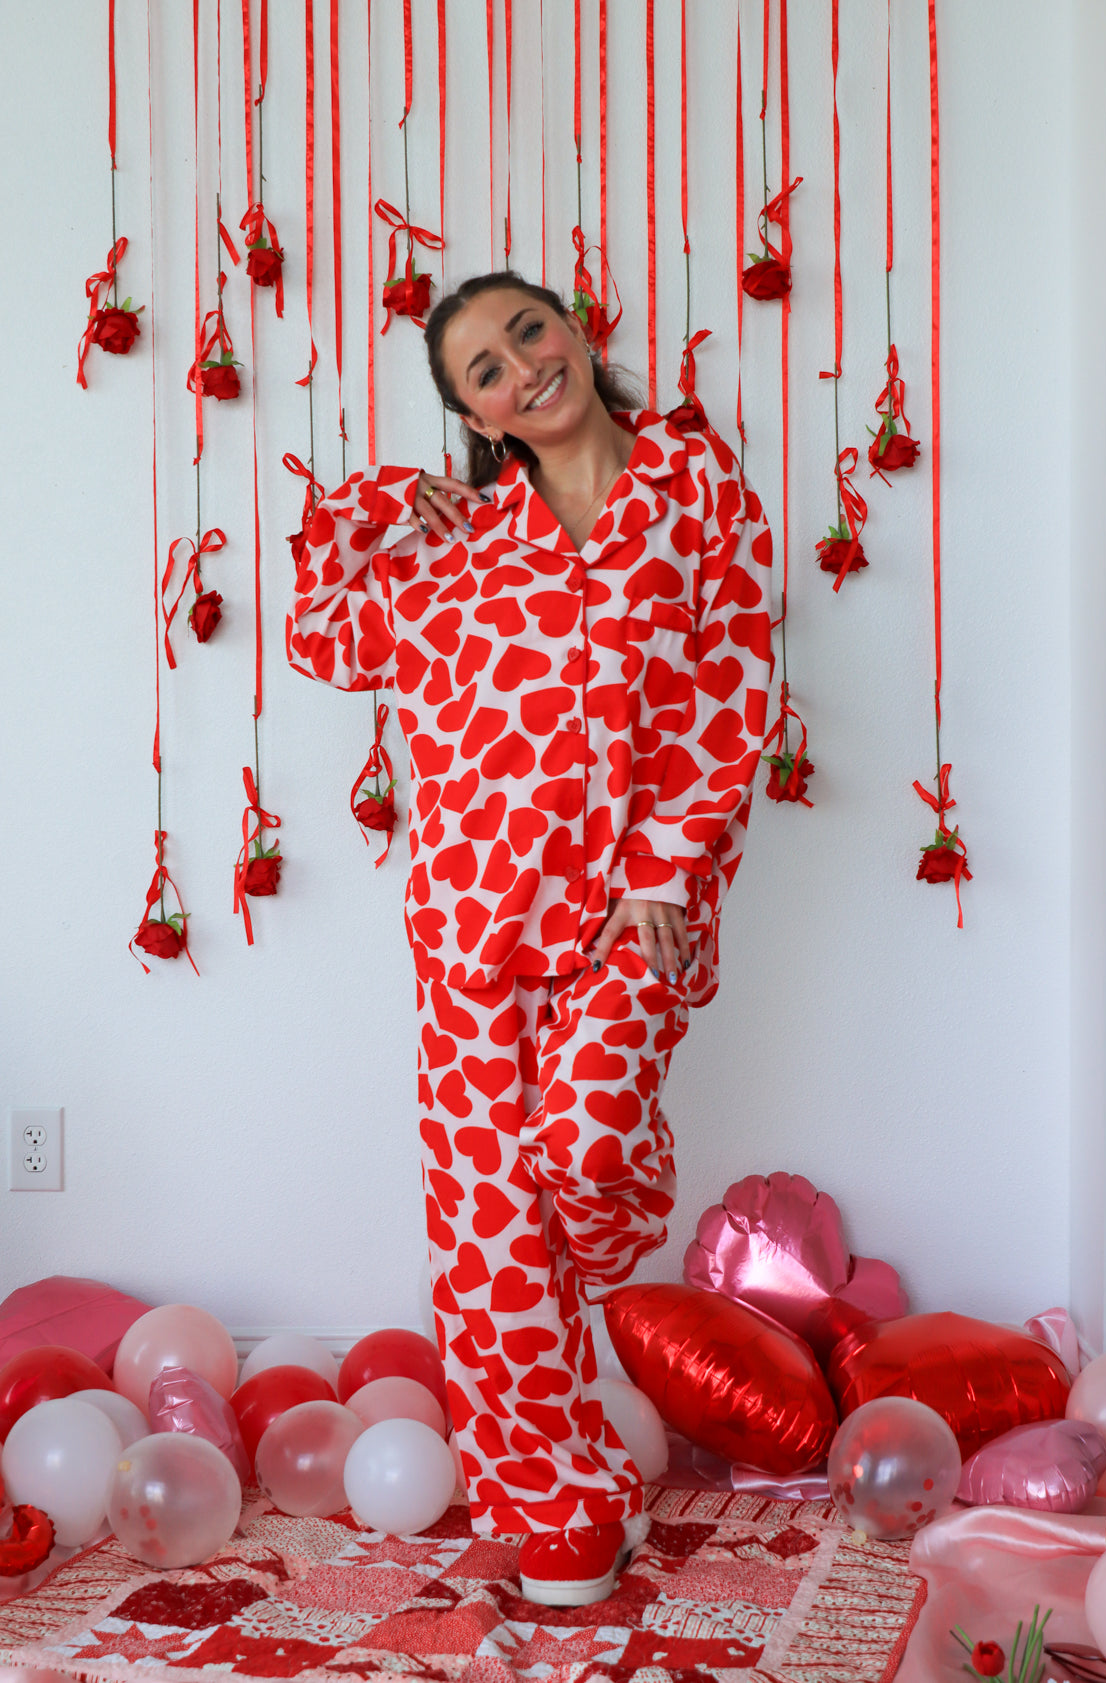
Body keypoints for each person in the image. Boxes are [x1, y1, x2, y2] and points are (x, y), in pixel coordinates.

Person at [287, 271, 775, 1607]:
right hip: (470, 914)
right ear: (475, 414)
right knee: (494, 1230)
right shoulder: (457, 541)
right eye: (483, 372)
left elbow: (735, 674)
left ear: (573, 334)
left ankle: (604, 1235)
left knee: (582, 1148)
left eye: (526, 334)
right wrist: (371, 510)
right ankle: (561, 1500)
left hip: (635, 901)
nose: (520, 370)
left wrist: (669, 864)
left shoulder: (695, 490)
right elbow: (321, 635)